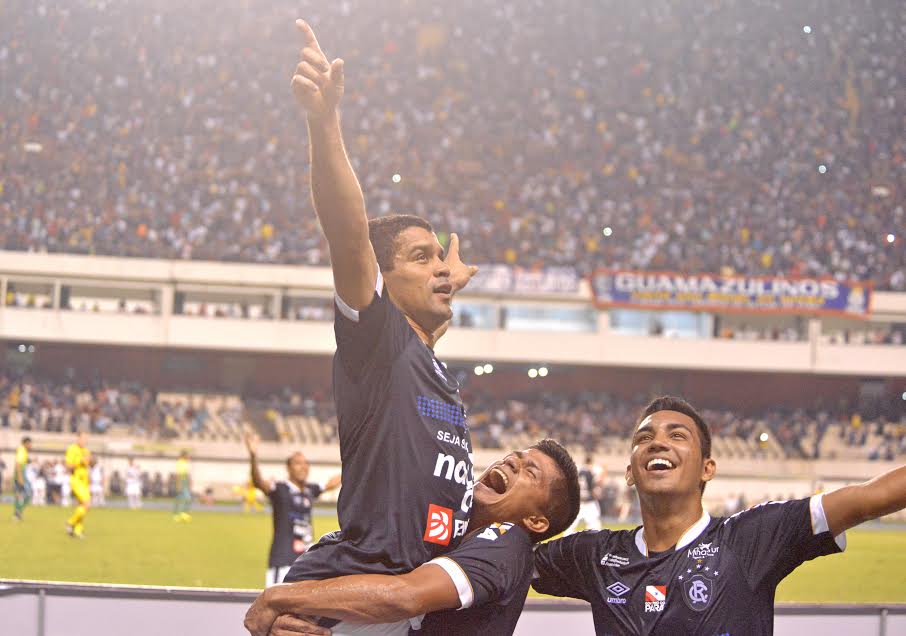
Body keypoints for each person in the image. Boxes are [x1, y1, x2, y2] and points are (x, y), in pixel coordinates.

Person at [281, 18, 479, 619]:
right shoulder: (379, 338)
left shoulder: (428, 364)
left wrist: (441, 280)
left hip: (407, 606)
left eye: (440, 258)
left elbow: (429, 321)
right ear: (381, 279)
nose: (439, 268)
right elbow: (348, 234)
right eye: (420, 257)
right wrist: (324, 122)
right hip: (362, 602)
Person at [532, 396, 906, 635]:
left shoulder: (751, 538)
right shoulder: (595, 555)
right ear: (630, 472)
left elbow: (869, 498)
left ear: (707, 468)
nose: (657, 442)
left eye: (677, 436)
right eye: (644, 438)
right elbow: (510, 560)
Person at [245, 440, 581, 636]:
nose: (511, 462)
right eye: (514, 457)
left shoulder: (508, 543)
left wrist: (280, 598)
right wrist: (300, 621)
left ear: (536, 521)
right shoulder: (451, 533)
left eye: (530, 471)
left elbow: (403, 597)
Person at [245, 430, 342, 587]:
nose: (303, 467)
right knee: (278, 601)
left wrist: (351, 461)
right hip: (283, 561)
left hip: (306, 562)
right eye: (298, 463)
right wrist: (253, 455)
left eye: (305, 463)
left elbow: (332, 483)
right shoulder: (280, 489)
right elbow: (258, 482)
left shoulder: (309, 490)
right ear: (288, 468)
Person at [566, 454, 603, 533]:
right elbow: (595, 488)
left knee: (570, 525)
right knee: (594, 526)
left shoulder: (577, 471)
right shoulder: (591, 472)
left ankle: (565, 539)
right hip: (589, 501)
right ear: (590, 463)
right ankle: (594, 540)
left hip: (578, 501)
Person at [64, 432, 91, 538]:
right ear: (78, 439)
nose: (85, 441)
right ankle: (70, 522)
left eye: (87, 439)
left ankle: (77, 531)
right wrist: (80, 461)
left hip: (85, 481)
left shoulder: (86, 451)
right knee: (87, 504)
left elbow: (87, 466)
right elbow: (68, 466)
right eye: (83, 439)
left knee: (81, 506)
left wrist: (89, 461)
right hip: (76, 479)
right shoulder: (72, 449)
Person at [13, 436, 32, 521]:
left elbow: (21, 461)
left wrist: (28, 460)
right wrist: (20, 478)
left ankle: (17, 513)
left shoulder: (23, 451)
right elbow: (18, 464)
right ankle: (18, 512)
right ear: (26, 443)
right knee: (28, 494)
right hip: (20, 475)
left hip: (20, 475)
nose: (31, 445)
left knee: (20, 495)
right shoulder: (22, 451)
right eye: (30, 443)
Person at [173, 450, 192, 522]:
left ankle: (177, 515)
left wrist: (189, 482)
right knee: (187, 498)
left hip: (185, 482)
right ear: (184, 455)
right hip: (182, 482)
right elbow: (179, 474)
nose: (188, 456)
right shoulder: (180, 463)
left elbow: (187, 474)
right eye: (187, 455)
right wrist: (178, 484)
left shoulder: (185, 463)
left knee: (179, 499)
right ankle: (182, 514)